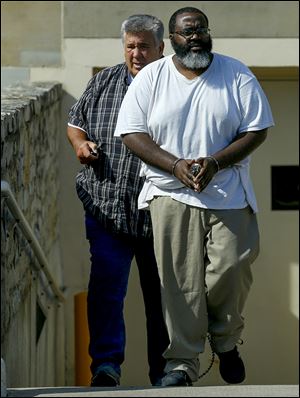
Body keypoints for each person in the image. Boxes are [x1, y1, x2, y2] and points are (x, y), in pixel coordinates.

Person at [115, 7, 275, 387]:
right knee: (178, 282)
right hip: (169, 192)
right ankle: (182, 363)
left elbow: (257, 130)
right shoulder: (152, 77)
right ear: (172, 39)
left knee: (232, 268)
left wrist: (216, 162)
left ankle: (225, 341)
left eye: (201, 29)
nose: (197, 36)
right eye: (187, 32)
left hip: (227, 190)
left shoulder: (236, 73)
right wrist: (174, 166)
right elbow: (132, 133)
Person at [67, 14, 169, 387]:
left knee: (161, 299)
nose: (136, 53)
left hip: (158, 213)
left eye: (144, 46)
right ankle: (106, 366)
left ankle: (165, 372)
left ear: (161, 48)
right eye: (130, 46)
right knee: (107, 291)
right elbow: (76, 121)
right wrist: (81, 144)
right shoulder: (105, 80)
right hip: (106, 207)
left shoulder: (178, 86)